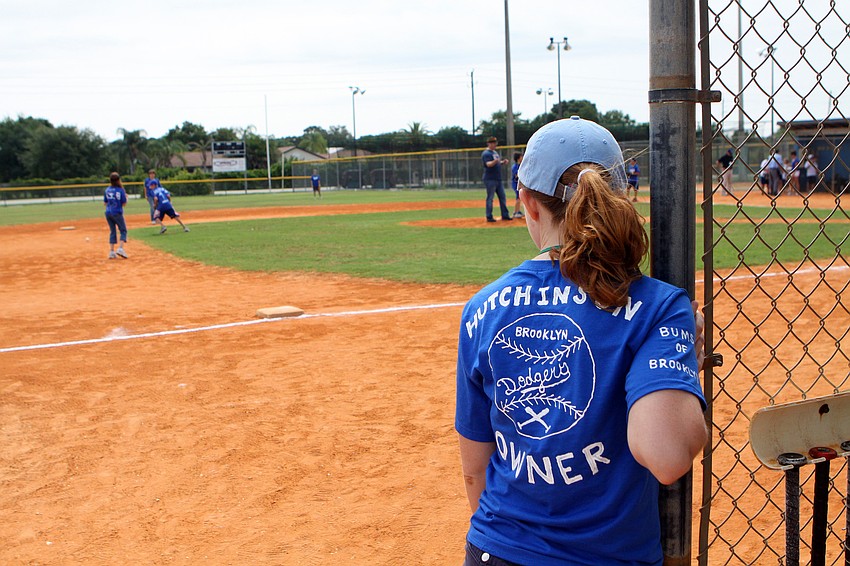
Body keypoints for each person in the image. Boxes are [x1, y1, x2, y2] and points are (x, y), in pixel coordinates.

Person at [455, 117, 707, 566]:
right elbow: (668, 457)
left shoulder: (482, 307)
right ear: (622, 195)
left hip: (498, 547)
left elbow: (475, 468)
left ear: (528, 204)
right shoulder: (657, 306)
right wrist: (686, 353)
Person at [482, 136, 512, 223]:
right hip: (490, 179)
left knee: (502, 197)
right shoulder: (486, 153)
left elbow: (496, 163)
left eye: (495, 143)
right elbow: (488, 164)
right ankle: (489, 216)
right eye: (493, 143)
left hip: (498, 179)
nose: (495, 145)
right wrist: (495, 161)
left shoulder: (494, 152)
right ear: (489, 144)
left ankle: (505, 215)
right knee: (490, 198)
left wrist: (502, 162)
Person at [104, 172, 129, 259]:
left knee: (112, 231)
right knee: (123, 230)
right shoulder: (120, 190)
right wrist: (126, 197)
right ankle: (120, 248)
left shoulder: (107, 190)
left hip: (108, 212)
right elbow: (124, 203)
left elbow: (105, 202)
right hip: (117, 212)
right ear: (118, 180)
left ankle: (111, 251)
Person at [511, 153, 524, 219]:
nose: (523, 157)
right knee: (518, 198)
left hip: (519, 184)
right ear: (518, 158)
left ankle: (517, 211)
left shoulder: (520, 165)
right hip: (515, 184)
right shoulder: (515, 166)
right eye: (521, 156)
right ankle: (516, 212)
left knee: (519, 198)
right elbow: (517, 175)